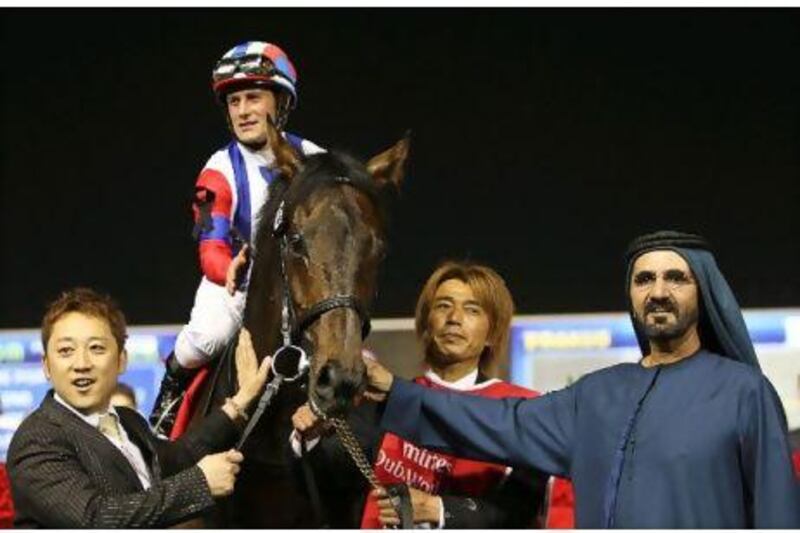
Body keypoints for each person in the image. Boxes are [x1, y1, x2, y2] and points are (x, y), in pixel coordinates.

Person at [363, 231, 800, 528]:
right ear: (631, 296)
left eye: (676, 278)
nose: (659, 291)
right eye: (644, 279)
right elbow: (499, 421)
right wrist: (392, 391)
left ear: (702, 291)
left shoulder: (744, 392)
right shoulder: (596, 396)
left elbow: (779, 516)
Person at [290, 262, 550, 528]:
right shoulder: (379, 403)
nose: (454, 318)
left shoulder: (521, 412)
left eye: (472, 309)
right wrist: (310, 436)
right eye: (443, 306)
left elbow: (519, 513)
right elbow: (330, 484)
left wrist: (436, 509)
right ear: (427, 324)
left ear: (492, 335)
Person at [150, 41, 324, 435]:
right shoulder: (218, 169)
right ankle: (168, 401)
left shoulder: (314, 159)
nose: (243, 111)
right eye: (234, 102)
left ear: (280, 102)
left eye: (253, 98)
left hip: (301, 289)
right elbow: (210, 244)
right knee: (206, 337)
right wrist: (226, 267)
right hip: (236, 286)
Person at [7, 288, 271, 527]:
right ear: (46, 366)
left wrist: (239, 403)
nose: (81, 363)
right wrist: (199, 485)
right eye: (66, 351)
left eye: (97, 348)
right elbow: (94, 518)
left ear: (121, 360)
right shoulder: (38, 437)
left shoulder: (128, 421)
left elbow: (178, 457)